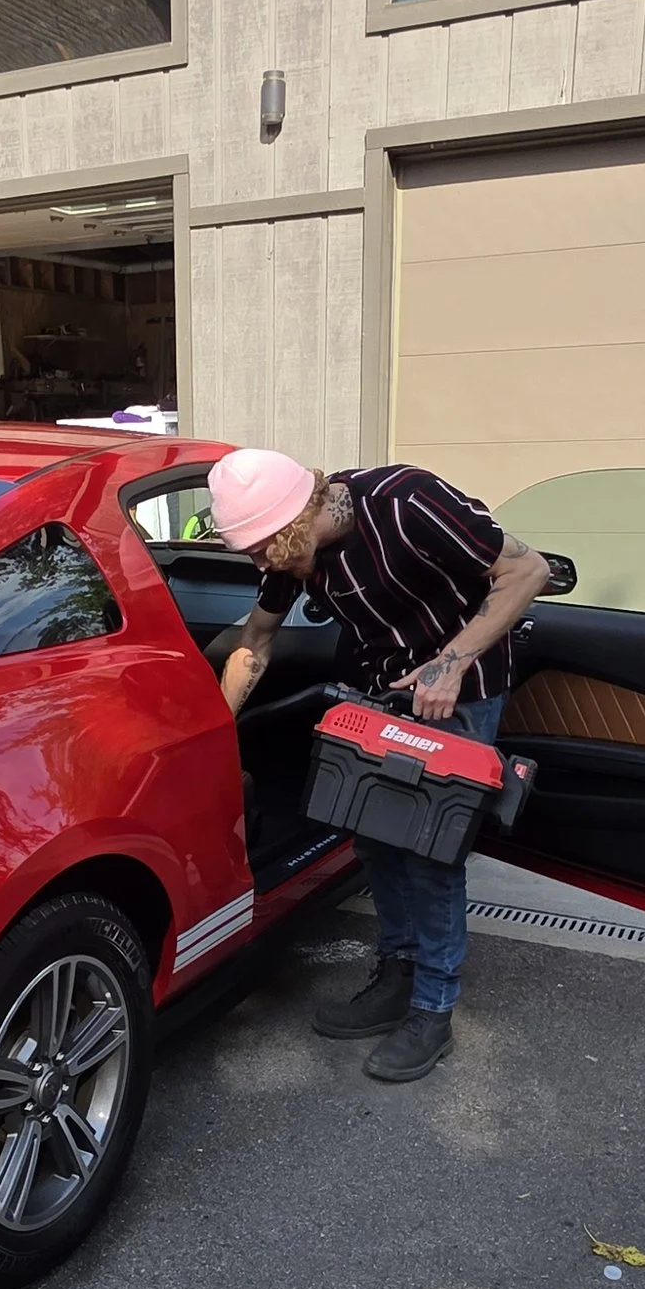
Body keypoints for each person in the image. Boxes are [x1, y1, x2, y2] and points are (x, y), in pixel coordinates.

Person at [208, 448, 556, 1085]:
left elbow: (527, 572)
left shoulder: (408, 502)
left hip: (463, 688)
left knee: (430, 853)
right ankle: (396, 976)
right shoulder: (290, 548)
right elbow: (256, 640)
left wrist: (450, 663)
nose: (261, 565)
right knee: (374, 838)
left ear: (293, 521)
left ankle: (433, 1009)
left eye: (263, 550)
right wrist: (212, 731)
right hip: (380, 692)